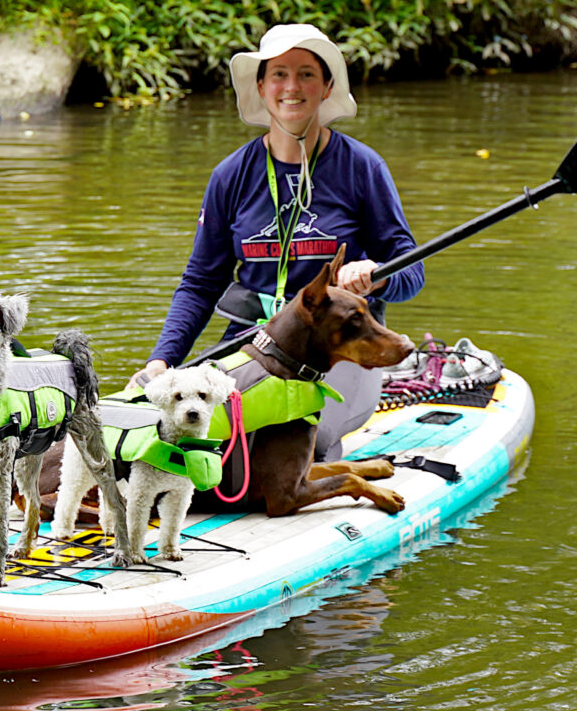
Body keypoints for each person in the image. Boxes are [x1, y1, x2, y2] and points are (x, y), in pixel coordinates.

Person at [138, 22, 423, 454]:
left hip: (338, 347)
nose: (293, 86)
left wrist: (377, 275)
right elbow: (200, 283)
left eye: (307, 73)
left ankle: (318, 469)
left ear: (327, 87)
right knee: (180, 429)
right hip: (254, 341)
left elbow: (413, 270)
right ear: (261, 86)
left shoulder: (362, 168)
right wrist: (162, 360)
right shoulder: (231, 175)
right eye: (279, 74)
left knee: (293, 436)